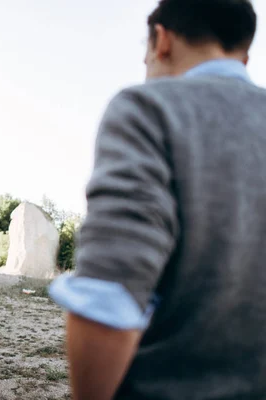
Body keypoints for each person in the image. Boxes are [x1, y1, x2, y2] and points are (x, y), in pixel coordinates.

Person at [49, 0, 265, 399]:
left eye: (145, 55)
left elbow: (109, 296)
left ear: (161, 40)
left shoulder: (149, 109)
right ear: (245, 54)